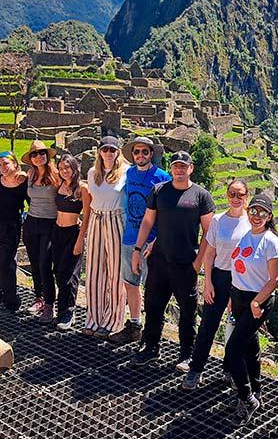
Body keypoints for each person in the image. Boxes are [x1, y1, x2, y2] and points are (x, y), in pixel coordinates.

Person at [131, 151, 215, 367]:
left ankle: (187, 354)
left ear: (191, 168)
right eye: (176, 166)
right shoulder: (159, 191)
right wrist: (137, 249)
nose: (179, 169)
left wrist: (198, 262)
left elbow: (209, 232)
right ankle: (151, 347)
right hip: (159, 260)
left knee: (187, 311)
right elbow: (148, 222)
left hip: (186, 263)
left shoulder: (201, 195)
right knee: (153, 306)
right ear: (172, 168)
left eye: (183, 166)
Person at [181, 179, 251, 389]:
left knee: (236, 329)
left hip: (242, 280)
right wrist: (208, 282)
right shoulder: (218, 221)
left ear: (246, 197)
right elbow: (210, 253)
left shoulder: (252, 223)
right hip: (219, 277)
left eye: (240, 195)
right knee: (208, 326)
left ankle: (230, 370)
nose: (236, 198)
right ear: (227, 195)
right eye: (232, 194)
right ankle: (196, 369)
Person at [224, 193, 278, 426]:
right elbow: (238, 269)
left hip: (257, 300)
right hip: (239, 297)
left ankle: (246, 398)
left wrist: (257, 302)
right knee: (250, 347)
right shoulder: (246, 235)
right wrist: (232, 296)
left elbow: (275, 279)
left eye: (262, 213)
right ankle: (256, 391)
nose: (257, 216)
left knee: (233, 349)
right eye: (254, 211)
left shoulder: (271, 242)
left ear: (269, 216)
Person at [109, 136, 170, 344]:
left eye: (145, 152)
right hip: (129, 237)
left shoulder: (162, 177)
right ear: (132, 155)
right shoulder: (128, 174)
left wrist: (157, 239)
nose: (141, 155)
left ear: (151, 154)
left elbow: (167, 211)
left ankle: (152, 335)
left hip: (151, 241)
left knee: (152, 288)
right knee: (130, 283)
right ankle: (135, 325)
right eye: (137, 152)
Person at [81, 136, 128, 337]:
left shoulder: (126, 172)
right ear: (99, 152)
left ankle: (113, 320)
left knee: (116, 274)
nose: (108, 153)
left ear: (118, 152)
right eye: (105, 149)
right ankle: (94, 318)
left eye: (112, 150)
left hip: (116, 220)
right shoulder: (93, 173)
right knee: (94, 270)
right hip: (96, 219)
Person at [46, 154, 90, 329]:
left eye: (67, 167)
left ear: (74, 168)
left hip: (73, 232)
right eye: (61, 168)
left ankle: (68, 312)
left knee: (69, 274)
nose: (64, 171)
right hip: (57, 231)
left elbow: (86, 216)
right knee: (58, 271)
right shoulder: (59, 184)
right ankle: (61, 308)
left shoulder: (82, 188)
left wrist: (80, 240)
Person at [21, 140, 60, 316]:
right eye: (34, 155)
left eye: (41, 153)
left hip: (50, 223)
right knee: (35, 263)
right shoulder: (30, 175)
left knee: (45, 264)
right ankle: (39, 298)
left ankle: (50, 302)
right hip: (31, 222)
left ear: (47, 156)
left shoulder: (56, 176)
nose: (38, 157)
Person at [0, 150, 28, 312]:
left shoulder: (22, 182)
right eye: (0, 164)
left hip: (11, 225)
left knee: (6, 263)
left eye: (6, 163)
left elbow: (32, 201)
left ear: (15, 164)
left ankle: (12, 301)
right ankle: (0, 296)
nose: (3, 167)